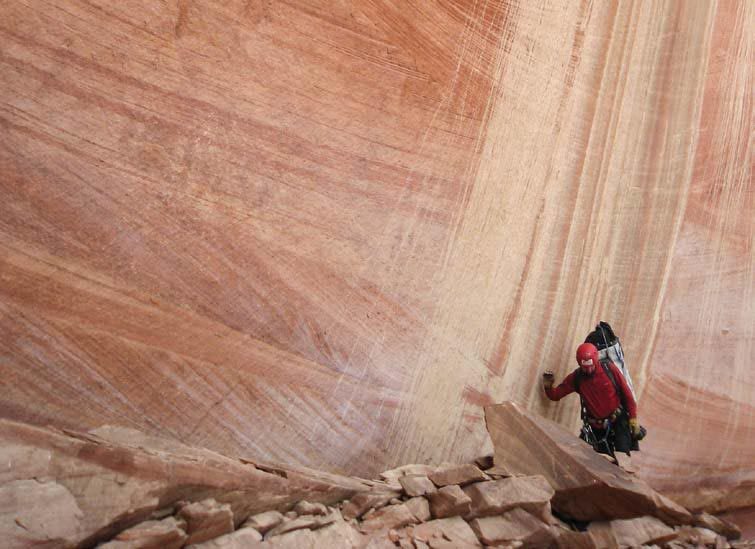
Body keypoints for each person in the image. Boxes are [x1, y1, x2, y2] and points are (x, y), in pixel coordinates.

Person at [543, 342, 641, 470]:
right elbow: (556, 396)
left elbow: (627, 395)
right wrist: (548, 386)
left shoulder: (609, 369)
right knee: (595, 464)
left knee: (622, 460)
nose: (588, 370)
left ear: (596, 360)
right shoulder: (577, 378)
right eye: (585, 367)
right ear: (579, 364)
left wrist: (633, 419)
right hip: (595, 428)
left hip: (618, 421)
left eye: (590, 366)